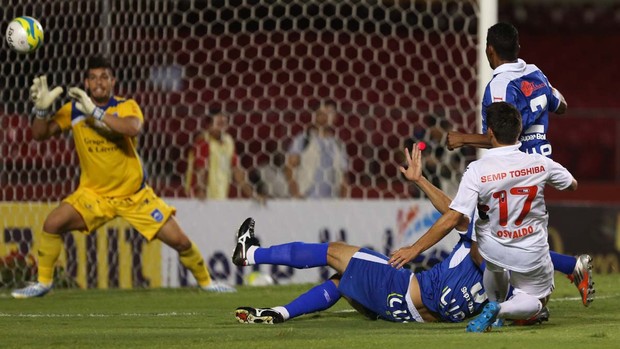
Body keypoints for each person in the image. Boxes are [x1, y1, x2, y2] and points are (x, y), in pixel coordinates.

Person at [12, 56, 235, 298]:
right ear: (86, 82)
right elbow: (39, 134)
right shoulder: (74, 110)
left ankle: (207, 282)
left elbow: (133, 128)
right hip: (95, 195)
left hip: (135, 195)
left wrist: (96, 112)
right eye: (94, 78)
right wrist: (41, 110)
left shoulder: (126, 106)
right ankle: (43, 283)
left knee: (180, 241)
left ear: (113, 81)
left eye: (104, 77)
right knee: (52, 224)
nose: (99, 82)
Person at [390, 102, 578, 332]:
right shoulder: (539, 163)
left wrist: (414, 249)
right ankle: (500, 310)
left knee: (487, 244)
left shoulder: (477, 169)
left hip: (493, 251)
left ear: (490, 132)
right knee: (537, 300)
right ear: (519, 131)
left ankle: (495, 303)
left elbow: (453, 217)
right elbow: (571, 184)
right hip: (530, 254)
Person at [446, 22, 593, 307]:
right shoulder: (535, 72)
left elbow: (500, 136)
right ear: (518, 48)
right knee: (510, 240)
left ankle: (509, 305)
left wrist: (463, 139)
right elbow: (561, 105)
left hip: (512, 168)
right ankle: (567, 271)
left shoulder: (500, 85)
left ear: (489, 50)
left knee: (485, 246)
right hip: (538, 164)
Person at [232, 213, 487, 324]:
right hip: (407, 315)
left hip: (400, 288)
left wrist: (414, 249)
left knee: (333, 251)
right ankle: (281, 312)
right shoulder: (506, 280)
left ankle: (251, 253)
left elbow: (455, 215)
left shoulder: (479, 241)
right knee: (342, 281)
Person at [184, 110, 263, 202]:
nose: (221, 127)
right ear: (209, 125)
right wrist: (200, 191)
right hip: (200, 198)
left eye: (224, 124)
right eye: (218, 123)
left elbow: (237, 172)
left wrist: (253, 195)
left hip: (220, 197)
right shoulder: (203, 142)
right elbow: (200, 169)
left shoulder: (228, 142)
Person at [285, 101, 349, 199]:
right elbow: (289, 168)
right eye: (322, 113)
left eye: (330, 113)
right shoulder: (303, 139)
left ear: (335, 117)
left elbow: (343, 176)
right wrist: (296, 194)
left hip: (331, 202)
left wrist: (344, 201)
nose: (326, 117)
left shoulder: (338, 144)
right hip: (307, 199)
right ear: (315, 116)